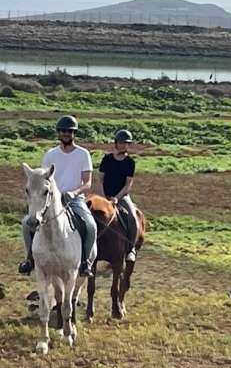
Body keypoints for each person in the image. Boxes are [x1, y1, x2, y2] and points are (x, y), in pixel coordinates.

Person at [18, 115, 97, 278]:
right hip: (50, 200)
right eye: (62, 131)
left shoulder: (83, 154)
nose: (65, 134)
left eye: (69, 131)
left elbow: (87, 183)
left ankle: (84, 263)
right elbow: (42, 179)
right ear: (58, 133)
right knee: (27, 224)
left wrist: (74, 193)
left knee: (90, 225)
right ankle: (29, 260)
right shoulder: (50, 154)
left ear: (74, 133)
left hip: (74, 199)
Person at [97, 129, 140, 263]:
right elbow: (100, 180)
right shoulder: (107, 159)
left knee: (132, 216)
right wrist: (103, 197)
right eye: (121, 143)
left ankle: (131, 248)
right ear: (116, 143)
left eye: (126, 143)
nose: (123, 145)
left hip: (121, 197)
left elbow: (128, 186)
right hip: (105, 195)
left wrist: (116, 198)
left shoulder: (130, 163)